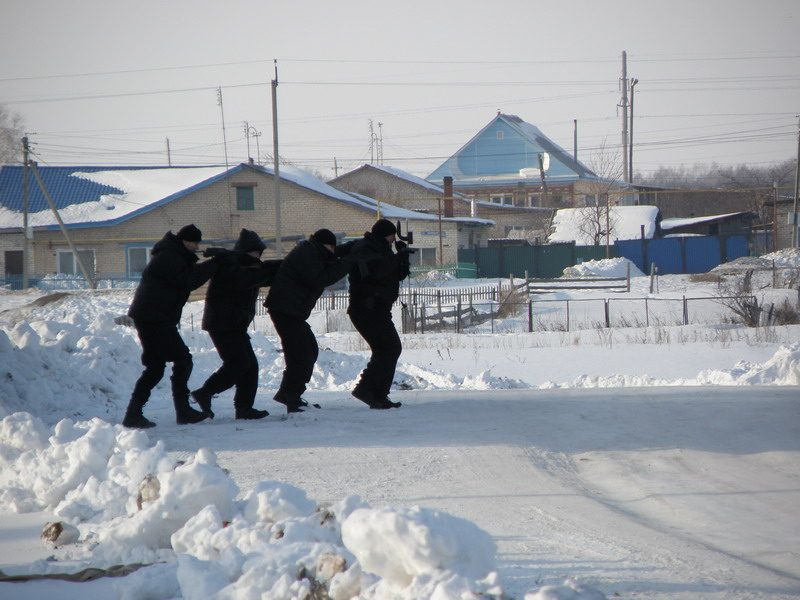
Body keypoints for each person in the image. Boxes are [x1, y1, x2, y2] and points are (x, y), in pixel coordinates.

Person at [123, 224, 219, 428]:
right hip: (155, 318)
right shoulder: (168, 256)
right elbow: (189, 280)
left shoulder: (173, 255)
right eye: (194, 242)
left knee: (155, 367)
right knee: (183, 360)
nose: (196, 246)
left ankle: (133, 413)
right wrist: (214, 264)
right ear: (184, 241)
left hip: (154, 316)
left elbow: (188, 275)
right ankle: (182, 411)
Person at [190, 229, 282, 420]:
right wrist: (268, 270)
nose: (258, 257)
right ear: (247, 251)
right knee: (238, 364)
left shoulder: (248, 267)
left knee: (250, 366)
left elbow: (262, 276)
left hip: (234, 324)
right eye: (256, 252)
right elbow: (243, 281)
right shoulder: (230, 264)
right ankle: (205, 392)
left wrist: (283, 266)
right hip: (222, 323)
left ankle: (244, 408)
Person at [264, 228, 351, 413]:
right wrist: (348, 264)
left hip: (290, 310)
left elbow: (328, 261)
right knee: (301, 355)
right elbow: (319, 278)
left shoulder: (312, 251)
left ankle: (287, 393)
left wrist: (350, 250)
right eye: (332, 248)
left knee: (308, 350)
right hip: (285, 310)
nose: (333, 252)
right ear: (325, 245)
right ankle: (291, 397)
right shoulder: (307, 254)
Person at [346, 219, 411, 409]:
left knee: (388, 349)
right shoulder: (366, 248)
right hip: (366, 308)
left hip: (378, 308)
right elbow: (375, 273)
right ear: (385, 234)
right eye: (392, 235)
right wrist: (396, 258)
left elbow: (396, 274)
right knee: (389, 348)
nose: (393, 239)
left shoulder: (383, 249)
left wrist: (402, 256)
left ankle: (379, 394)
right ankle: (365, 390)